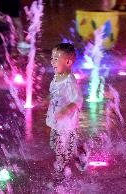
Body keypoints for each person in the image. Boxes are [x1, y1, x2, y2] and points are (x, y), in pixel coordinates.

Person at [46, 43, 85, 180]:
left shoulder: (70, 82)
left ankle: (60, 175)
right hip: (57, 120)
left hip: (66, 123)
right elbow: (55, 93)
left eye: (56, 59)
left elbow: (78, 100)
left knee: (61, 150)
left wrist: (65, 110)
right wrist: (46, 100)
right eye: (52, 58)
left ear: (68, 62)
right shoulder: (57, 76)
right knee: (56, 145)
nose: (52, 61)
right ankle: (79, 151)